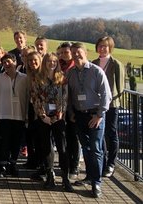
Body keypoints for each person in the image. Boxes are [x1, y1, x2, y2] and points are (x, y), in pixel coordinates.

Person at [67, 42, 112, 198]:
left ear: (85, 53)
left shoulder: (96, 71)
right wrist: (71, 112)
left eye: (78, 52)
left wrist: (99, 115)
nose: (76, 55)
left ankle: (96, 183)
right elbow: (69, 96)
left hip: (95, 115)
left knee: (95, 148)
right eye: (73, 53)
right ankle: (90, 176)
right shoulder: (70, 73)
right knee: (86, 148)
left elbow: (106, 95)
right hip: (79, 115)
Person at [31, 53, 73, 192]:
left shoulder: (62, 78)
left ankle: (65, 178)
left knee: (62, 147)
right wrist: (43, 115)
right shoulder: (37, 78)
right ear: (44, 63)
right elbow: (35, 97)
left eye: (54, 61)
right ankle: (50, 175)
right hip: (43, 117)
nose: (52, 63)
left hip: (58, 117)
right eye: (49, 61)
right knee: (47, 147)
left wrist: (59, 114)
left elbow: (64, 97)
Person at [92, 36, 124, 178]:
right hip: (96, 106)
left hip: (111, 105)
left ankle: (111, 163)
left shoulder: (116, 64)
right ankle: (103, 162)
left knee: (111, 133)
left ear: (110, 47)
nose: (102, 48)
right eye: (100, 46)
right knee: (100, 134)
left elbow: (120, 88)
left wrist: (111, 101)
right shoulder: (93, 63)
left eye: (105, 46)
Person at [0, 53, 28, 178]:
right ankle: (2, 165)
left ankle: (13, 164)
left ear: (14, 62)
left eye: (8, 61)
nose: (6, 64)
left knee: (16, 142)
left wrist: (27, 115)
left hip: (19, 114)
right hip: (4, 114)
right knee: (4, 142)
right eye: (4, 63)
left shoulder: (24, 78)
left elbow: (28, 96)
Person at [58, 42, 79, 179]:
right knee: (62, 138)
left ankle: (74, 167)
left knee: (74, 138)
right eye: (61, 53)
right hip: (60, 108)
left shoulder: (75, 67)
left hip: (73, 108)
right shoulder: (57, 65)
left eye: (66, 52)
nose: (64, 55)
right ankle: (64, 165)